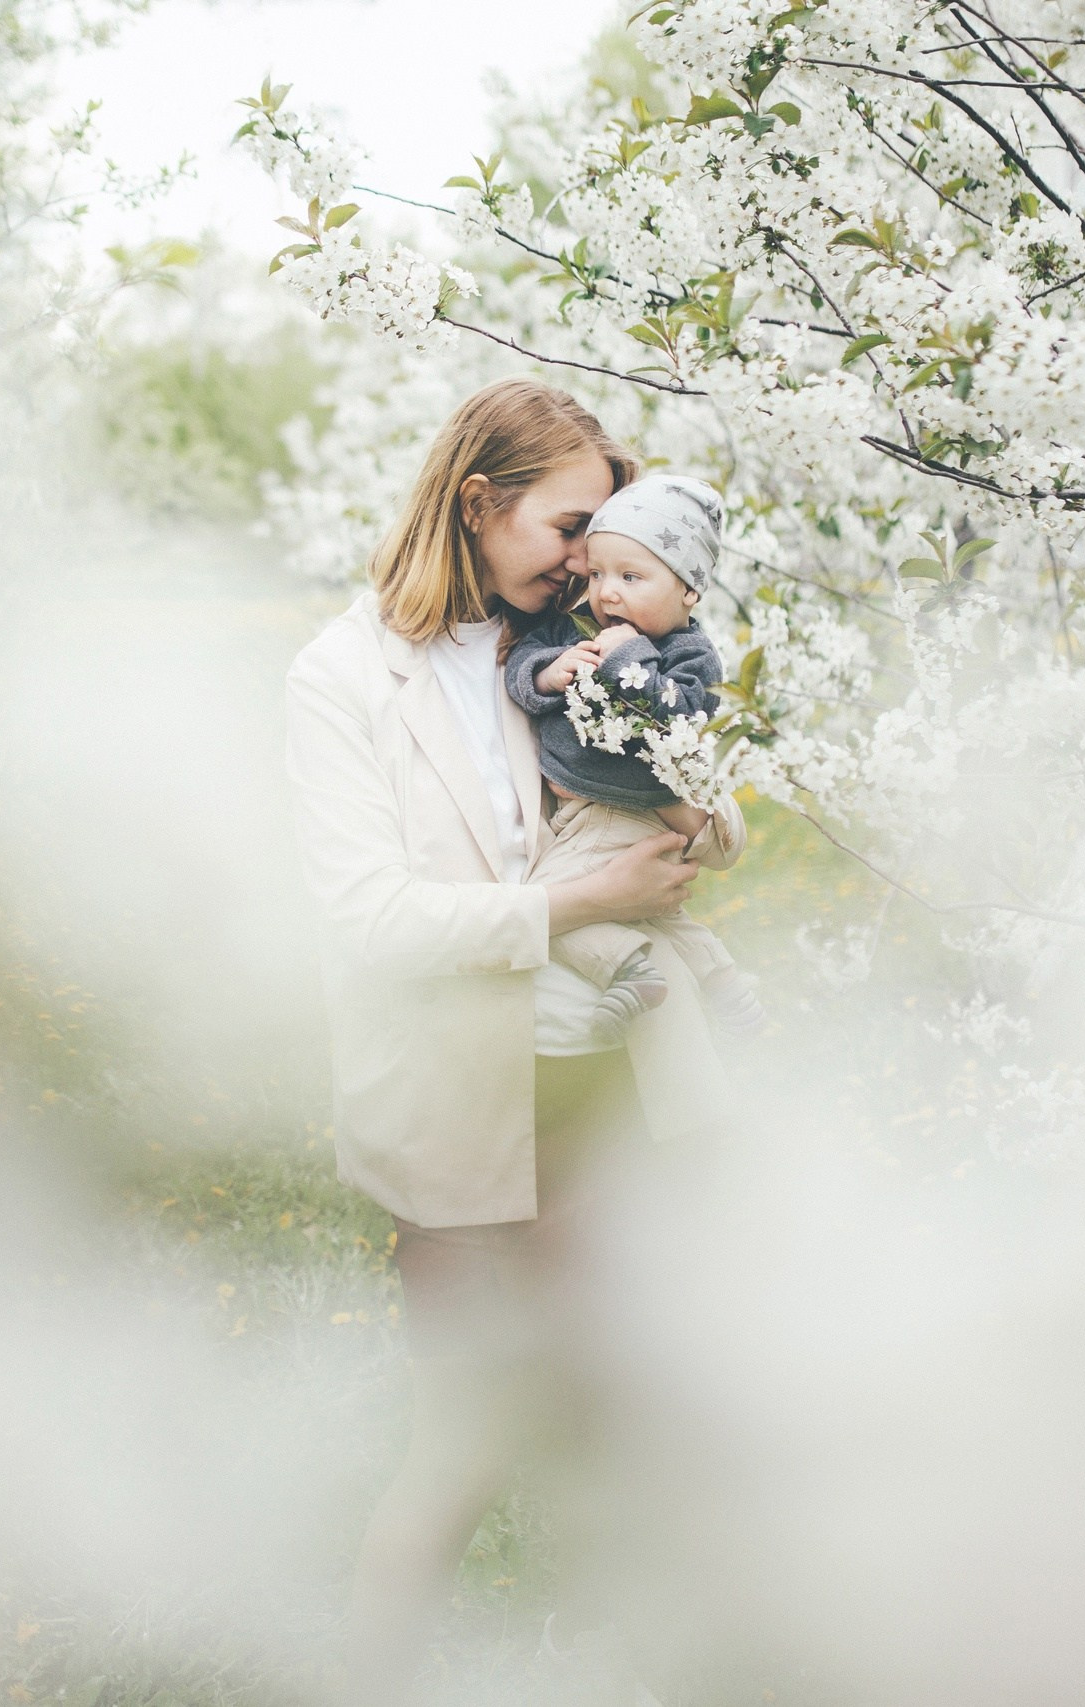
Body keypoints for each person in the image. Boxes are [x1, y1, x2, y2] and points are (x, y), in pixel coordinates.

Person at [284, 378, 735, 1704]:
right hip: (456, 1111)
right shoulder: (343, 677)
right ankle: (374, 1670)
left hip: (605, 1091)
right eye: (570, 521)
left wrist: (696, 823)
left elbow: (682, 799)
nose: (590, 556)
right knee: (464, 1437)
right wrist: (579, 903)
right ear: (479, 504)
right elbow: (369, 918)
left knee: (639, 1413)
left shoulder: (585, 646)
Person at [504, 472, 766, 1043]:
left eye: (630, 576)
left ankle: (625, 966)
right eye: (596, 574)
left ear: (688, 592)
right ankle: (724, 985)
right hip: (586, 811)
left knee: (541, 909)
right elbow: (523, 662)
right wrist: (547, 674)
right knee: (661, 914)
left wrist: (628, 663)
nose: (607, 592)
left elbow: (680, 720)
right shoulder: (574, 627)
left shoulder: (689, 654)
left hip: (622, 811)